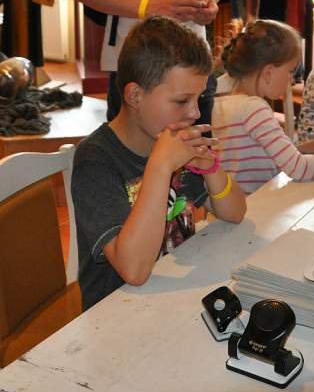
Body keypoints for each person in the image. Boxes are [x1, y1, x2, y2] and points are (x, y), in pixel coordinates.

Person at [72, 17, 246, 310]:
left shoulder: (174, 140)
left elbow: (235, 213)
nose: (194, 112)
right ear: (135, 95)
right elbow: (134, 271)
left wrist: (211, 169)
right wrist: (161, 166)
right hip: (116, 310)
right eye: (181, 101)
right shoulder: (95, 159)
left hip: (171, 299)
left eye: (199, 98)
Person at [62, 0, 225, 134]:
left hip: (196, 66)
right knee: (131, 150)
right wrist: (149, 6)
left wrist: (208, 0)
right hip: (139, 67)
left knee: (197, 148)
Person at [213, 19, 314, 194]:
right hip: (257, 203)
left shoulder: (220, 104)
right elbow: (299, 169)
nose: (291, 80)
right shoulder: (254, 108)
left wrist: (298, 149)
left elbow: (256, 156)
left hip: (233, 204)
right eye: (290, 71)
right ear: (269, 72)